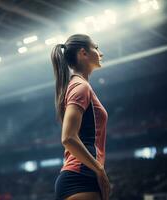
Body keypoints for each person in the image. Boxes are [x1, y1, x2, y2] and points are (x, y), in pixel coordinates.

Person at [51, 34, 111, 200]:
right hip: (81, 177)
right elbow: (68, 137)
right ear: (83, 53)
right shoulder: (80, 86)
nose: (101, 53)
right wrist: (99, 169)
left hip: (80, 176)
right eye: (97, 48)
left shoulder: (77, 85)